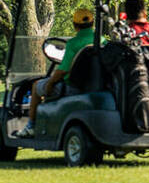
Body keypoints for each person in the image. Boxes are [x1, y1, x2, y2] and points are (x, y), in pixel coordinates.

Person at [15, 8, 95, 138]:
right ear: (93, 24)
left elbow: (63, 70)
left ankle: (31, 126)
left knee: (36, 86)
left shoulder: (73, 43)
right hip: (92, 86)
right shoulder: (102, 41)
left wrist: (51, 83)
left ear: (75, 25)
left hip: (72, 87)